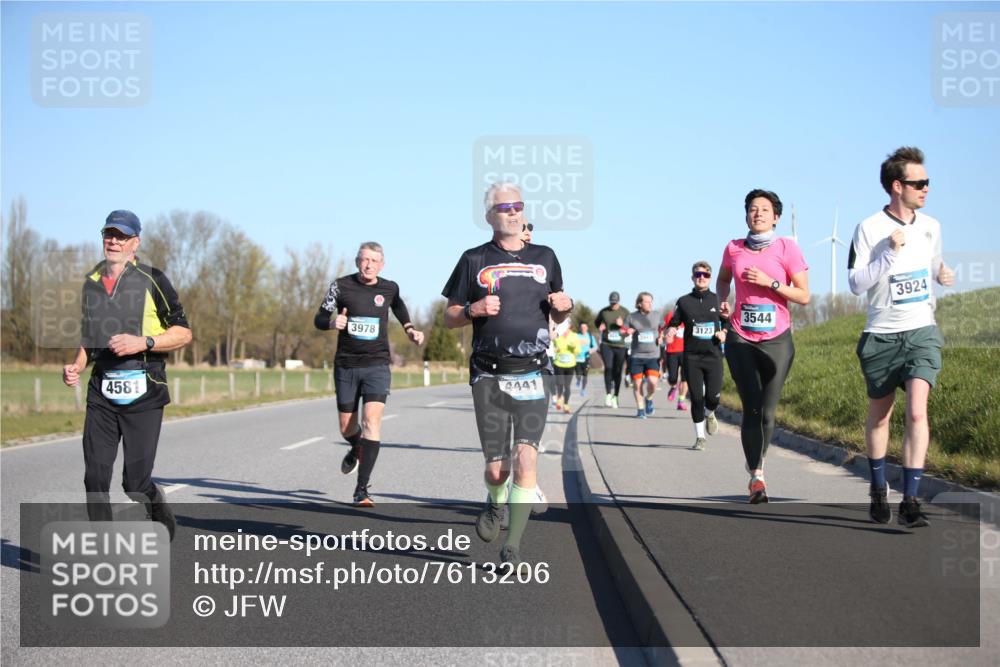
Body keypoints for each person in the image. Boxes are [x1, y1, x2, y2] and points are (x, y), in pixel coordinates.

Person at [443, 182, 573, 566]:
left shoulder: (546, 256)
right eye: (504, 208)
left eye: (518, 206)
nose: (513, 212)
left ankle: (513, 545)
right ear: (489, 217)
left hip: (535, 370)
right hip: (489, 374)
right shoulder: (473, 259)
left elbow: (559, 310)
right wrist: (473, 310)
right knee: (497, 469)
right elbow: (449, 317)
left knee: (527, 459)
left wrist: (565, 307)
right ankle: (494, 501)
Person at [62, 210, 192, 539]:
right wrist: (77, 364)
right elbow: (89, 335)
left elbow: (184, 333)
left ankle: (155, 505)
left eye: (121, 236)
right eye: (109, 234)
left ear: (136, 242)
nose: (113, 241)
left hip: (144, 392)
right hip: (102, 393)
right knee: (95, 478)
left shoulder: (153, 280)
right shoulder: (92, 284)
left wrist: (144, 341)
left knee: (134, 484)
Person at [848, 146, 954, 528]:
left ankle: (911, 498)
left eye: (927, 182)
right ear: (897, 186)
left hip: (922, 332)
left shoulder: (932, 226)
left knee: (917, 411)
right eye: (919, 183)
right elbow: (856, 284)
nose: (926, 188)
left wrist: (941, 274)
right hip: (881, 335)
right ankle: (878, 488)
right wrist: (888, 255)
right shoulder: (869, 228)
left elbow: (932, 264)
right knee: (880, 418)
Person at [717, 189, 810, 503]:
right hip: (741, 336)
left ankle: (758, 458)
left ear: (776, 217)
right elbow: (723, 280)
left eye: (765, 209)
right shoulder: (734, 248)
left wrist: (769, 283)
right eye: (753, 209)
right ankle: (757, 476)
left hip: (777, 339)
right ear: (746, 215)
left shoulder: (788, 248)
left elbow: (803, 295)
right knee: (752, 407)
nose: (758, 213)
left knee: (768, 414)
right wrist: (722, 302)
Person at [314, 242, 424, 507]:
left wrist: (409, 329)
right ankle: (355, 445)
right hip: (347, 365)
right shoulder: (340, 286)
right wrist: (332, 323)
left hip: (377, 364)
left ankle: (361, 489)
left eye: (374, 261)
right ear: (356, 261)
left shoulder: (389, 287)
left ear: (382, 264)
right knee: (347, 427)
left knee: (372, 421)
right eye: (364, 260)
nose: (369, 265)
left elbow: (398, 307)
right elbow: (319, 318)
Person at [665, 262, 727, 450]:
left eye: (705, 275)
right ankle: (700, 438)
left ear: (710, 278)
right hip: (692, 357)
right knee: (697, 398)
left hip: (714, 356)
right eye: (698, 274)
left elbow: (729, 322)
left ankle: (710, 413)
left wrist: (724, 332)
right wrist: (671, 330)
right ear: (692, 277)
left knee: (713, 398)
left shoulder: (718, 300)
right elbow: (674, 322)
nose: (701, 277)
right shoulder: (684, 301)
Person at [623, 292, 662, 419]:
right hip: (637, 356)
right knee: (637, 384)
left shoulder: (656, 315)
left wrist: (662, 336)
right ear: (639, 303)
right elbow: (622, 331)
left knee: (653, 382)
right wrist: (626, 332)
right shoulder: (631, 317)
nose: (650, 304)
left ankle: (649, 398)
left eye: (651, 301)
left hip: (653, 355)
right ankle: (640, 410)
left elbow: (664, 328)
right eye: (647, 301)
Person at [594, 292, 628, 408]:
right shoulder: (604, 312)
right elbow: (596, 322)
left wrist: (622, 325)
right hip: (607, 344)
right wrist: (600, 327)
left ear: (619, 301)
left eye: (615, 303)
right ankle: (608, 394)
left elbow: (630, 327)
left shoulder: (624, 312)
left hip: (620, 345)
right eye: (612, 303)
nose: (613, 305)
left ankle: (616, 396)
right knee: (608, 367)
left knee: (618, 371)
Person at [660, 308, 689, 410]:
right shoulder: (670, 316)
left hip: (687, 352)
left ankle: (681, 400)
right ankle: (673, 386)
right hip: (672, 351)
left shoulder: (690, 316)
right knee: (672, 377)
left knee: (686, 378)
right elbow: (662, 330)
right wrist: (665, 337)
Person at [552, 325, 581, 413]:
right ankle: (560, 397)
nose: (565, 329)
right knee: (560, 383)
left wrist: (571, 348)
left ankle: (566, 404)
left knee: (567, 386)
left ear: (570, 327)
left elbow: (578, 350)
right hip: (558, 363)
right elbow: (553, 347)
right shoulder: (557, 335)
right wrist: (556, 349)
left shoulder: (574, 336)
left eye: (566, 327)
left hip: (570, 364)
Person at [574, 322, 598, 396]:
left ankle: (583, 390)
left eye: (584, 327)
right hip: (577, 358)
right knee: (578, 373)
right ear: (580, 328)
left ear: (587, 328)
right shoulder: (576, 336)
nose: (583, 329)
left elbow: (595, 346)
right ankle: (578, 380)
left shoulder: (590, 336)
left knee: (585, 374)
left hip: (586, 358)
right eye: (582, 327)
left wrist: (591, 350)